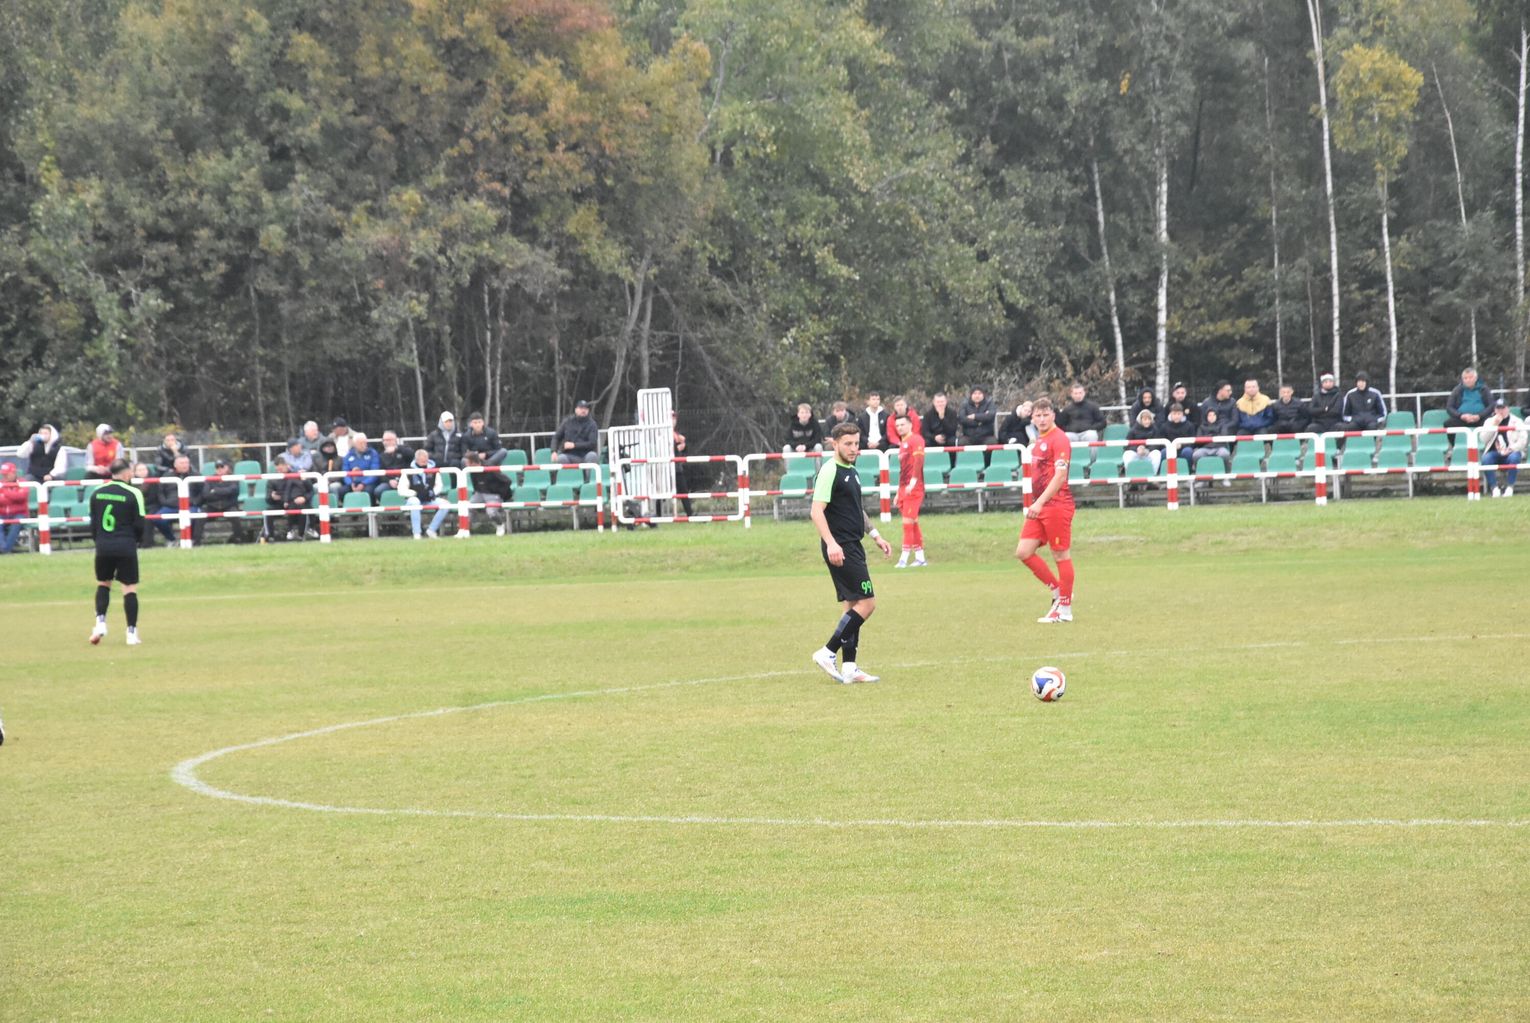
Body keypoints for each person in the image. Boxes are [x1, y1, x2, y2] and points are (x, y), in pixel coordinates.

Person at [809, 422, 892, 684]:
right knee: (868, 603)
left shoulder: (851, 470)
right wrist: (831, 544)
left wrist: (876, 535)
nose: (854, 448)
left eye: (856, 443)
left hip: (853, 544)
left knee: (852, 606)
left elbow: (856, 509)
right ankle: (827, 651)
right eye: (848, 444)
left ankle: (849, 667)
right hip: (841, 547)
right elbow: (816, 511)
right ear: (834, 444)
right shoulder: (829, 470)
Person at [1015, 398, 1076, 624]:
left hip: (1056, 505)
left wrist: (1039, 502)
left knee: (1060, 554)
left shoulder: (1059, 439)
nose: (1042, 419)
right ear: (1032, 418)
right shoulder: (1040, 439)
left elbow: (1060, 476)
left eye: (1045, 415)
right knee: (1024, 552)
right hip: (1040, 506)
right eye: (1038, 416)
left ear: (1053, 415)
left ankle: (1065, 610)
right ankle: (1059, 591)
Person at [88, 459, 145, 646]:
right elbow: (139, 524)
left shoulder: (97, 492)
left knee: (103, 584)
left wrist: (99, 541)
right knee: (129, 588)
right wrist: (136, 541)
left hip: (103, 545)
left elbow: (93, 523)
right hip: (126, 545)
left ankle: (100, 622)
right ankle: (131, 633)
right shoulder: (134, 493)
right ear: (127, 472)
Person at [892, 414, 927, 568]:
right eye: (897, 425)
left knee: (907, 523)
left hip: (914, 487)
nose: (900, 428)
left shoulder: (916, 439)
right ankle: (920, 558)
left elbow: (919, 461)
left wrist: (913, 481)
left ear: (910, 425)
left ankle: (903, 558)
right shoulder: (903, 443)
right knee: (913, 523)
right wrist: (898, 492)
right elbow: (903, 470)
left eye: (902, 424)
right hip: (904, 488)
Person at [152, 454, 205, 545]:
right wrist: (165, 502)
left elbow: (203, 491)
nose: (185, 465)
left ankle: (191, 540)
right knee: (157, 519)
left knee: (193, 517)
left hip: (190, 506)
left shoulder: (196, 475)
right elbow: (160, 492)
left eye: (186, 463)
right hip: (170, 506)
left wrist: (196, 502)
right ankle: (172, 540)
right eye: (182, 463)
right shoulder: (167, 476)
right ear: (175, 465)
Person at [1479, 399, 1527, 497]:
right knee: (1486, 459)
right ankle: (1494, 488)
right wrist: (1494, 425)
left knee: (1514, 457)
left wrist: (1511, 449)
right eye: (1498, 408)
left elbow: (1523, 440)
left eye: (1503, 408)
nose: (1500, 411)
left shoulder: (1517, 421)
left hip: (1511, 451)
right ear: (1495, 410)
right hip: (1494, 452)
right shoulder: (1489, 421)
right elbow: (1483, 439)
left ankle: (1510, 487)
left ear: (1508, 409)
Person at [400, 448, 451, 538]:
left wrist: (432, 493)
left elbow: (439, 485)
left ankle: (431, 530)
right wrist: (415, 493)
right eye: (422, 461)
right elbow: (401, 490)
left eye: (426, 460)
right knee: (415, 502)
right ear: (416, 460)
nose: (424, 462)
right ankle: (417, 533)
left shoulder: (434, 471)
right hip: (412, 499)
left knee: (445, 504)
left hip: (429, 499)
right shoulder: (408, 471)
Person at [201, 458, 251, 544]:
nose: (219, 469)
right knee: (200, 516)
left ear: (227, 467)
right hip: (213, 506)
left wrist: (215, 491)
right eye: (217, 467)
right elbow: (206, 495)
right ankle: (196, 541)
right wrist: (224, 492)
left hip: (228, 505)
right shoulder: (209, 479)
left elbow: (233, 490)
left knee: (234, 515)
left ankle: (239, 539)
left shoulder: (233, 478)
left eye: (222, 467)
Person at [267, 458, 316, 540]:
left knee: (302, 508)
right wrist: (272, 497)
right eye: (277, 469)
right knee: (268, 512)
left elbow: (311, 491)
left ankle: (301, 534)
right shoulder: (273, 480)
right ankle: (270, 536)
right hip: (281, 504)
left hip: (297, 502)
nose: (279, 471)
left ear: (287, 466)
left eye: (281, 469)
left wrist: (304, 498)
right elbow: (268, 498)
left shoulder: (297, 475)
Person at [464, 450, 509, 534]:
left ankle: (500, 525)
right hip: (479, 493)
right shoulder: (471, 470)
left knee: (491, 512)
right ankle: (466, 529)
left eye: (467, 463)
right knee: (467, 507)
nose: (465, 465)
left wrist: (501, 495)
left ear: (473, 462)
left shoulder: (490, 467)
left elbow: (507, 481)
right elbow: (475, 483)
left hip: (493, 494)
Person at [552, 400, 599, 465]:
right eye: (581, 408)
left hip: (586, 454)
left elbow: (592, 443)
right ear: (576, 410)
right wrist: (554, 451)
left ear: (588, 411)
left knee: (592, 456)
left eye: (585, 409)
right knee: (561, 458)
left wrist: (574, 445)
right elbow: (556, 437)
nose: (583, 410)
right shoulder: (567, 421)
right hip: (569, 455)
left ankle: (588, 472)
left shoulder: (592, 424)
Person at [341, 431, 383, 501]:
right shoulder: (348, 455)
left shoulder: (373, 453)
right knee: (342, 491)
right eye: (360, 443)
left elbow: (375, 472)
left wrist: (363, 483)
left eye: (365, 442)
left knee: (368, 491)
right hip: (353, 482)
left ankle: (370, 507)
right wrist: (351, 483)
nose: (364, 445)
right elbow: (345, 472)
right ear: (354, 444)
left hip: (368, 483)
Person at [1122, 409, 1162, 475]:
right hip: (1136, 452)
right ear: (1140, 420)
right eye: (1145, 419)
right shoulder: (1133, 430)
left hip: (1149, 452)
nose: (1147, 421)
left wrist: (1147, 450)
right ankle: (1131, 474)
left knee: (1157, 454)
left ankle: (1152, 475)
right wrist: (1137, 449)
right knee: (1127, 454)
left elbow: (1157, 444)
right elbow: (1126, 445)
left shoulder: (1155, 429)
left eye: (1149, 419)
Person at [0, 462, 28, 554]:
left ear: (13, 473)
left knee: (16, 524)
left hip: (19, 513)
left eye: (6, 474)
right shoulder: (1, 483)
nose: (4, 476)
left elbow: (21, 497)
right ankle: (3, 548)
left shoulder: (22, 482)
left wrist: (4, 492)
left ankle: (5, 550)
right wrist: (13, 497)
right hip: (2, 513)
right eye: (3, 474)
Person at [671, 410, 694, 516]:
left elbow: (684, 450)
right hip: (666, 468)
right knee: (662, 492)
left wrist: (683, 446)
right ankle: (658, 515)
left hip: (676, 468)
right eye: (671, 418)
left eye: (674, 418)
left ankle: (690, 513)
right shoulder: (663, 433)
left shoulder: (675, 434)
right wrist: (678, 448)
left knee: (683, 490)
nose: (673, 420)